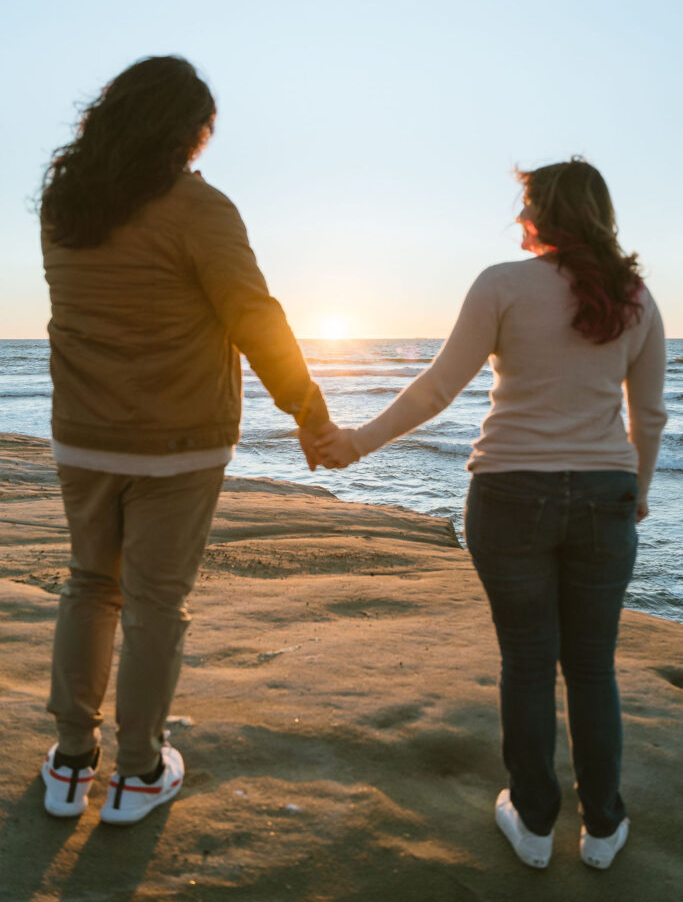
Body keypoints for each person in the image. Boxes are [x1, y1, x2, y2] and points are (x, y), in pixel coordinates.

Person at [315, 158, 667, 870]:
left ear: (539, 215)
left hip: (508, 495)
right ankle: (602, 829)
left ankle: (533, 824)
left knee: (529, 662)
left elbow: (437, 388)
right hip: (602, 497)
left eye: (524, 206)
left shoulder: (501, 284)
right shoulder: (635, 297)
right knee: (592, 669)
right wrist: (638, 488)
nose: (517, 218)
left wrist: (357, 443)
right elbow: (649, 414)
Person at [39, 55, 331, 825]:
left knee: (88, 584)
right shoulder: (197, 207)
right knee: (154, 604)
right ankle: (138, 772)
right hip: (177, 442)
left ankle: (71, 764)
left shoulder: (64, 205)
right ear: (187, 130)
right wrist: (307, 408)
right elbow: (252, 315)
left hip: (83, 435)